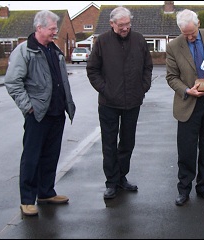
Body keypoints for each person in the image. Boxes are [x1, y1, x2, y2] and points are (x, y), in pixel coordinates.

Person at [4, 10, 76, 216]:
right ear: (40, 28)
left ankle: (46, 192)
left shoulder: (55, 50)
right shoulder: (25, 51)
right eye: (52, 28)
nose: (55, 32)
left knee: (51, 156)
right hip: (37, 115)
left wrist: (67, 104)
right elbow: (12, 82)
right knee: (32, 157)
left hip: (57, 113)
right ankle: (27, 199)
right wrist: (28, 107)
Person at [86, 6, 153, 200]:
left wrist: (143, 87)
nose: (125, 28)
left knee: (127, 142)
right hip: (108, 103)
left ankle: (122, 177)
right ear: (112, 24)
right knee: (109, 143)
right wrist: (105, 89)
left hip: (133, 101)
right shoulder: (102, 42)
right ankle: (111, 182)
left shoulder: (139, 40)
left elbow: (148, 66)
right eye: (122, 25)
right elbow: (92, 70)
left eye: (128, 24)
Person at [166, 9, 204, 206]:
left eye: (192, 33)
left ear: (198, 23)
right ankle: (183, 190)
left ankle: (203, 187)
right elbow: (171, 77)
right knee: (186, 150)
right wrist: (187, 90)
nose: (190, 37)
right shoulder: (173, 46)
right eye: (186, 34)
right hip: (188, 103)